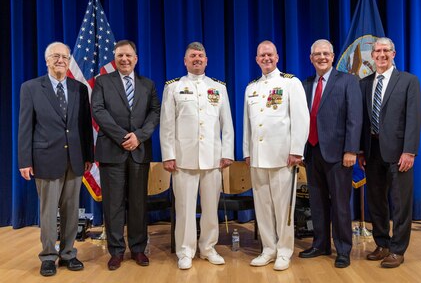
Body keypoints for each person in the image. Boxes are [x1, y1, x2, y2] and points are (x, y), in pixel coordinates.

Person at [18, 42, 93, 276]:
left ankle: (69, 253)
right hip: (45, 158)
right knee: (49, 212)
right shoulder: (30, 88)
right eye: (55, 56)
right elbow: (25, 127)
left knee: (71, 210)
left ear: (69, 60)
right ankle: (49, 256)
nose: (60, 60)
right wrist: (24, 160)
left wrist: (89, 155)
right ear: (47, 60)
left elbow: (84, 126)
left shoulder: (79, 88)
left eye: (64, 56)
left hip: (75, 159)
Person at [160, 42, 234, 270]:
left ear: (207, 60)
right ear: (185, 61)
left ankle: (208, 247)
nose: (197, 59)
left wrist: (227, 152)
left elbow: (227, 124)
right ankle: (185, 251)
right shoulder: (173, 87)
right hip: (183, 159)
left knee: (211, 208)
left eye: (200, 56)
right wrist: (168, 155)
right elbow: (167, 125)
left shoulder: (218, 88)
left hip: (212, 159)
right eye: (192, 56)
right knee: (184, 208)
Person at [91, 40, 161, 270]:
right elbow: (98, 111)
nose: (124, 59)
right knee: (113, 205)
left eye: (128, 55)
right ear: (115, 58)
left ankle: (138, 249)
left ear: (136, 58)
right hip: (112, 151)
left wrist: (139, 136)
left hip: (139, 152)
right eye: (120, 55)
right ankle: (116, 251)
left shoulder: (147, 84)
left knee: (139, 203)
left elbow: (155, 112)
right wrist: (124, 137)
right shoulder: (102, 82)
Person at [243, 40, 309, 271]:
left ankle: (284, 251)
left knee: (283, 208)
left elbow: (301, 118)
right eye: (262, 55)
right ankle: (268, 249)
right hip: (258, 158)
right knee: (262, 207)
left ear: (277, 57)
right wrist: (247, 152)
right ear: (256, 59)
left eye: (270, 54)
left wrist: (296, 151)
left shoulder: (290, 83)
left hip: (283, 157)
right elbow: (247, 124)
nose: (266, 58)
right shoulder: (251, 88)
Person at [358, 37, 421, 268]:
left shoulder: (408, 81)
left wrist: (410, 151)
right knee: (376, 202)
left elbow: (414, 118)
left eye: (386, 50)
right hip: (372, 152)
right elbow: (363, 121)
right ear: (372, 56)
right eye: (377, 51)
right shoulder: (364, 83)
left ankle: (397, 249)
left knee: (400, 202)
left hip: (399, 153)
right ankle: (382, 243)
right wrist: (361, 150)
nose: (382, 54)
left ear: (393, 54)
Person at [299, 39, 362, 268]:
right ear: (311, 58)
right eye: (317, 54)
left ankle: (343, 249)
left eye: (326, 53)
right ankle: (321, 244)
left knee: (340, 204)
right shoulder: (305, 84)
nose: (322, 57)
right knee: (316, 203)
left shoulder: (348, 81)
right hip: (312, 152)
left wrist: (351, 150)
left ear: (333, 56)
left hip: (339, 154)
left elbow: (354, 119)